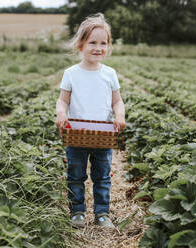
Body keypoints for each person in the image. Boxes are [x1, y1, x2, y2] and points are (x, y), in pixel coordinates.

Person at [55, 13, 125, 228]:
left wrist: (120, 115)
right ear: (80, 45)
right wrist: (61, 113)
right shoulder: (71, 73)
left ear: (109, 46)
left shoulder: (110, 74)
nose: (98, 47)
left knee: (102, 177)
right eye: (92, 42)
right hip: (76, 133)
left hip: (102, 135)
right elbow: (63, 101)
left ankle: (102, 213)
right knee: (75, 175)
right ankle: (77, 212)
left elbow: (117, 102)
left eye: (103, 43)